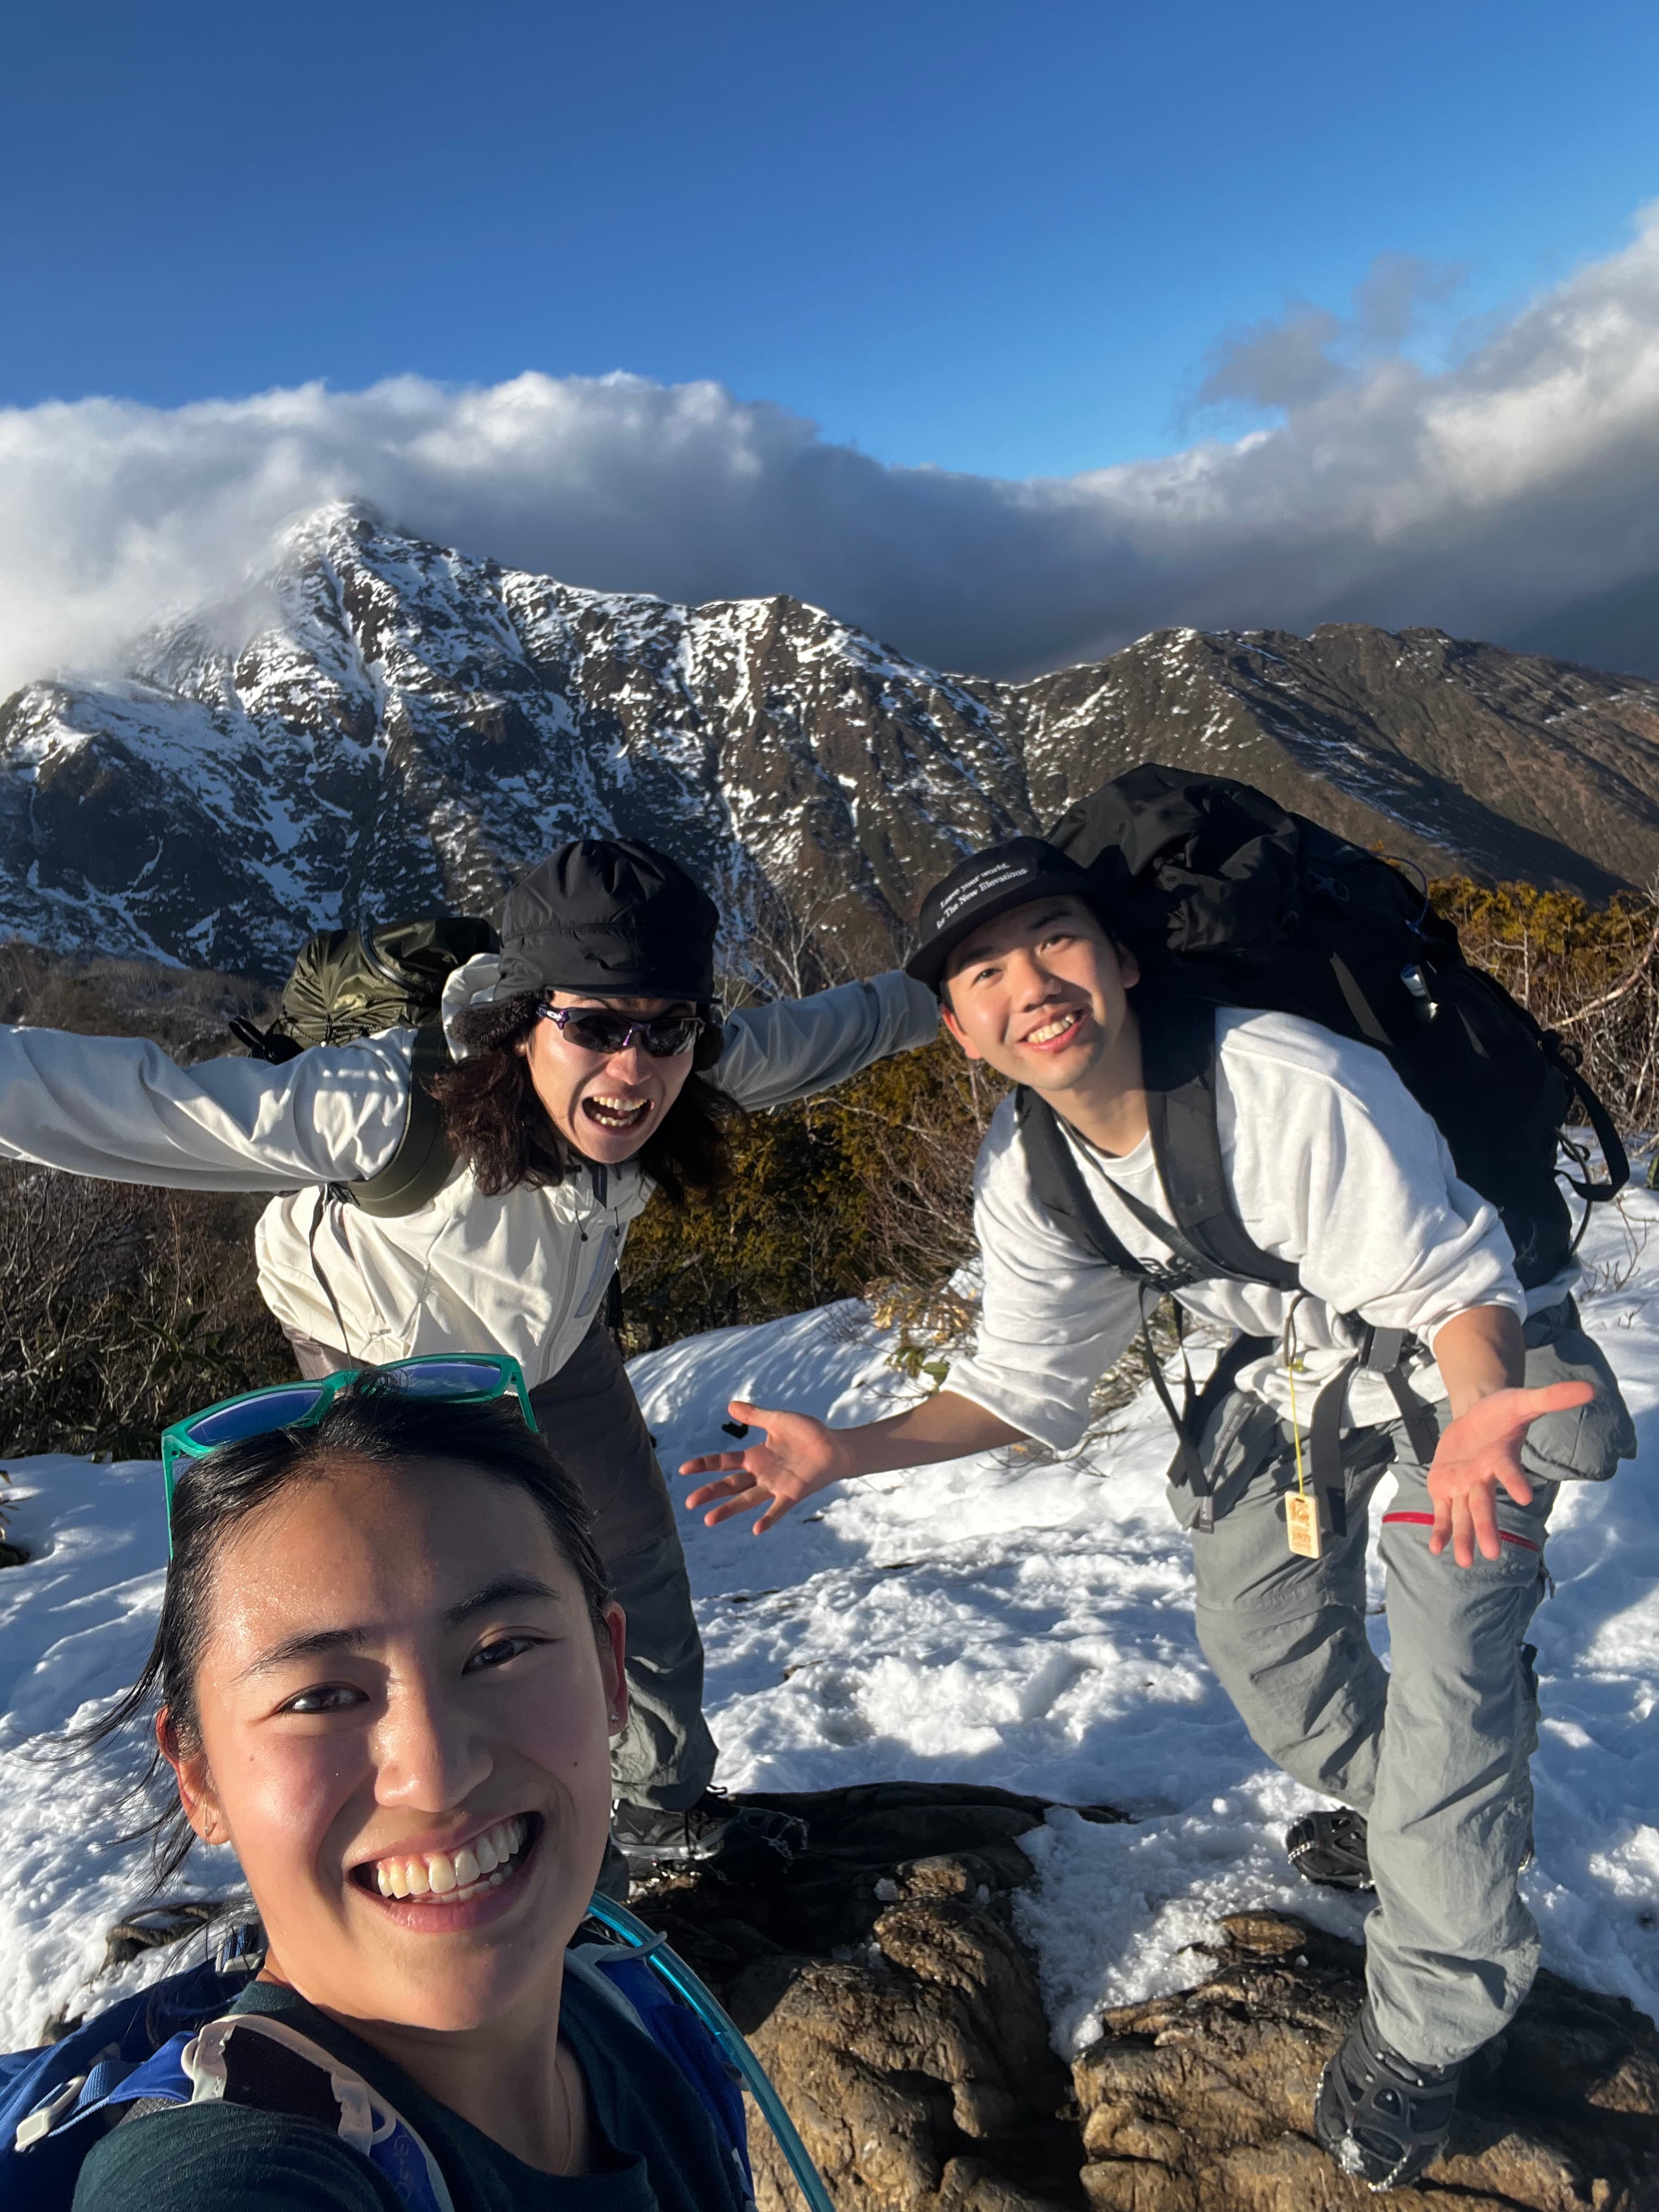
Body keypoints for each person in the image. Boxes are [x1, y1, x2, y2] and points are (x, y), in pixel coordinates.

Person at [678, 835, 1636, 2190]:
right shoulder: (1038, 1174)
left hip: (1475, 1363)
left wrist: (1481, 1413)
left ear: (1121, 960)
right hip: (1303, 1357)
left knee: (1454, 1673)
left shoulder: (1287, 1085)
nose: (1034, 987)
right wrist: (848, 1451)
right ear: (960, 1031)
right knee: (1270, 1659)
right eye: (989, 974)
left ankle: (1438, 2015)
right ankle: (1420, 1820)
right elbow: (1026, 1387)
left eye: (1056, 942)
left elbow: (1452, 1283)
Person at [0, 837, 937, 1875]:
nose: (636, 1064)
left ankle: (660, 1806)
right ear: (522, 1015)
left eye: (670, 1026)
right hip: (381, 1357)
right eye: (594, 1025)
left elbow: (828, 1028)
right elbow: (149, 1099)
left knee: (631, 1565)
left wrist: (957, 989)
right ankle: (487, 1850)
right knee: (455, 1607)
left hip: (554, 1340)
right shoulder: (386, 1106)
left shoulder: (682, 1069)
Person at [70, 1363, 753, 2210]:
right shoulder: (228, 2177)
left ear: (612, 1672)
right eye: (319, 1697)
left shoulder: (638, 2022)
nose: (436, 1774)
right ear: (199, 1777)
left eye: (501, 1650)